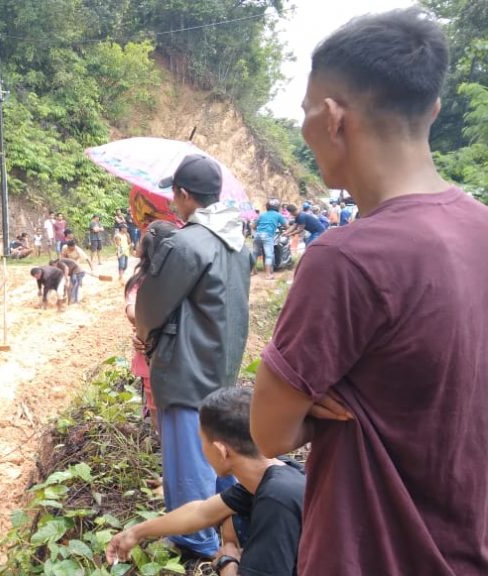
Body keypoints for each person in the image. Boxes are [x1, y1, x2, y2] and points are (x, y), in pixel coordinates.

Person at [249, 10, 488, 575]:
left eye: (306, 111)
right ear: (431, 110)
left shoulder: (345, 258)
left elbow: (270, 430)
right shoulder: (480, 227)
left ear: (332, 119)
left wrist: (322, 397)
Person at [135, 153, 251, 558]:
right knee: (221, 462)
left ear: (184, 195)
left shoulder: (188, 243)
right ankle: (229, 534)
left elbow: (149, 309)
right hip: (222, 367)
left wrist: (148, 338)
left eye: (174, 193)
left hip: (185, 371)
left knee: (187, 465)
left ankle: (194, 544)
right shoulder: (238, 244)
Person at [108, 388, 304, 576]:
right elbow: (201, 512)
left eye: (202, 441)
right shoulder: (274, 473)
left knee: (233, 526)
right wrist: (136, 532)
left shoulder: (276, 499)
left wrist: (226, 562)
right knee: (231, 519)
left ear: (221, 451)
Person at [124, 221, 177, 423]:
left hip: (151, 352)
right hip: (159, 353)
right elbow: (132, 313)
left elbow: (132, 313)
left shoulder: (141, 281)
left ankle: (164, 444)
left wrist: (146, 328)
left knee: (158, 410)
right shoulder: (148, 281)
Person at [253, 200, 288, 279]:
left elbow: (253, 226)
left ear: (267, 206)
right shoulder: (278, 215)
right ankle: (268, 274)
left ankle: (253, 271)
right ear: (277, 207)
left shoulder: (262, 215)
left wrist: (260, 230)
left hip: (258, 235)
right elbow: (286, 226)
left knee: (255, 253)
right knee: (269, 255)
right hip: (268, 236)